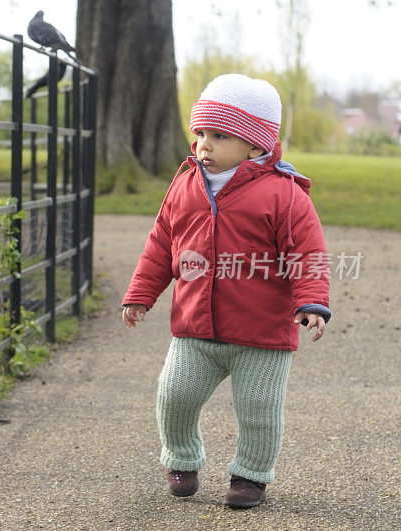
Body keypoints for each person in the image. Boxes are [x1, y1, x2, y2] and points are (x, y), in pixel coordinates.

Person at [121, 73, 331, 509]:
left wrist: (311, 300)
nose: (204, 145)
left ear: (255, 145)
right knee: (174, 395)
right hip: (196, 327)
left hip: (262, 333)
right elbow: (162, 242)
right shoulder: (185, 184)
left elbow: (307, 251)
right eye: (200, 133)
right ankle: (182, 459)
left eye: (219, 135)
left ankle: (251, 476)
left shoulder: (285, 196)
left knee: (258, 411)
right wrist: (142, 292)